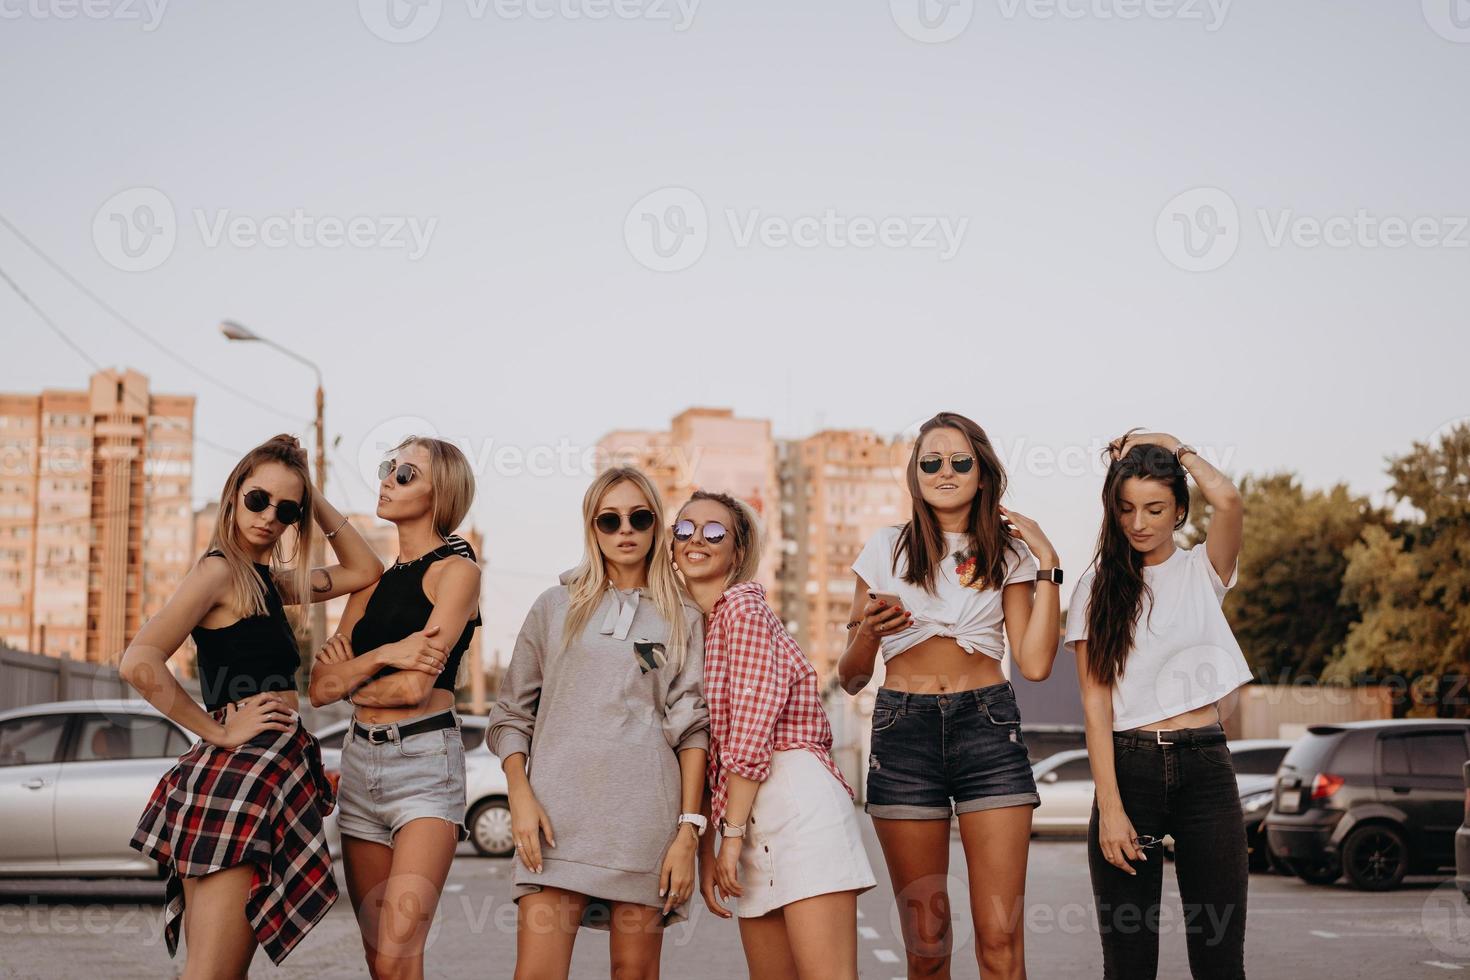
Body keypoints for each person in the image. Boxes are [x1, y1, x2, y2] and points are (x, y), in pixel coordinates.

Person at [122, 433, 383, 974]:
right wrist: (216, 730)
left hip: (266, 771)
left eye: (286, 509)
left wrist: (312, 498)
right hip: (239, 775)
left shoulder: (264, 582)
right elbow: (139, 662)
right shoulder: (219, 571)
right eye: (258, 499)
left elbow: (364, 569)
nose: (269, 516)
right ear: (233, 494)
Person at [838, 411, 1063, 979]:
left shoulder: (1008, 555)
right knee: (927, 941)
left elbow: (1034, 664)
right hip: (903, 731)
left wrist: (1049, 567)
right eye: (930, 462)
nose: (945, 471)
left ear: (982, 473)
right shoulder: (885, 548)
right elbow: (851, 676)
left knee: (999, 939)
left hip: (987, 729)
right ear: (914, 475)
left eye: (960, 461)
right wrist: (868, 629)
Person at [488, 466, 709, 980]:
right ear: (592, 528)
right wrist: (520, 796)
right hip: (552, 820)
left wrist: (687, 833)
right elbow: (510, 715)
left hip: (643, 822)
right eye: (610, 520)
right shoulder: (553, 606)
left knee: (634, 973)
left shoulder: (684, 617)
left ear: (657, 525)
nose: (625, 529)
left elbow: (692, 728)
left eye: (639, 517)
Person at [1067, 430, 1252, 980]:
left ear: (1179, 511)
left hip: (1206, 768)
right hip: (1130, 769)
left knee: (1220, 960)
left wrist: (1178, 447)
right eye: (1125, 509)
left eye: (1155, 508)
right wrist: (1112, 808)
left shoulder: (1204, 571)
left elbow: (1231, 499)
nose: (1139, 522)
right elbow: (1095, 708)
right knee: (1128, 965)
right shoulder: (1094, 588)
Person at [674, 489, 876, 980]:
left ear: (737, 552)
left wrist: (729, 837)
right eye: (684, 528)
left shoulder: (742, 611)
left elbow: (749, 731)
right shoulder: (700, 625)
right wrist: (713, 843)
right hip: (746, 820)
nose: (696, 539)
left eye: (714, 531)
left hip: (797, 808)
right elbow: (707, 750)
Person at [308, 436, 482, 980]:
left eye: (405, 474)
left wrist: (352, 677)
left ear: (441, 492)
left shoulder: (457, 571)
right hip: (361, 765)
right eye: (388, 468)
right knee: (379, 960)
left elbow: (411, 691)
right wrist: (385, 655)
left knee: (399, 948)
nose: (386, 479)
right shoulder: (372, 583)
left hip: (425, 765)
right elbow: (317, 688)